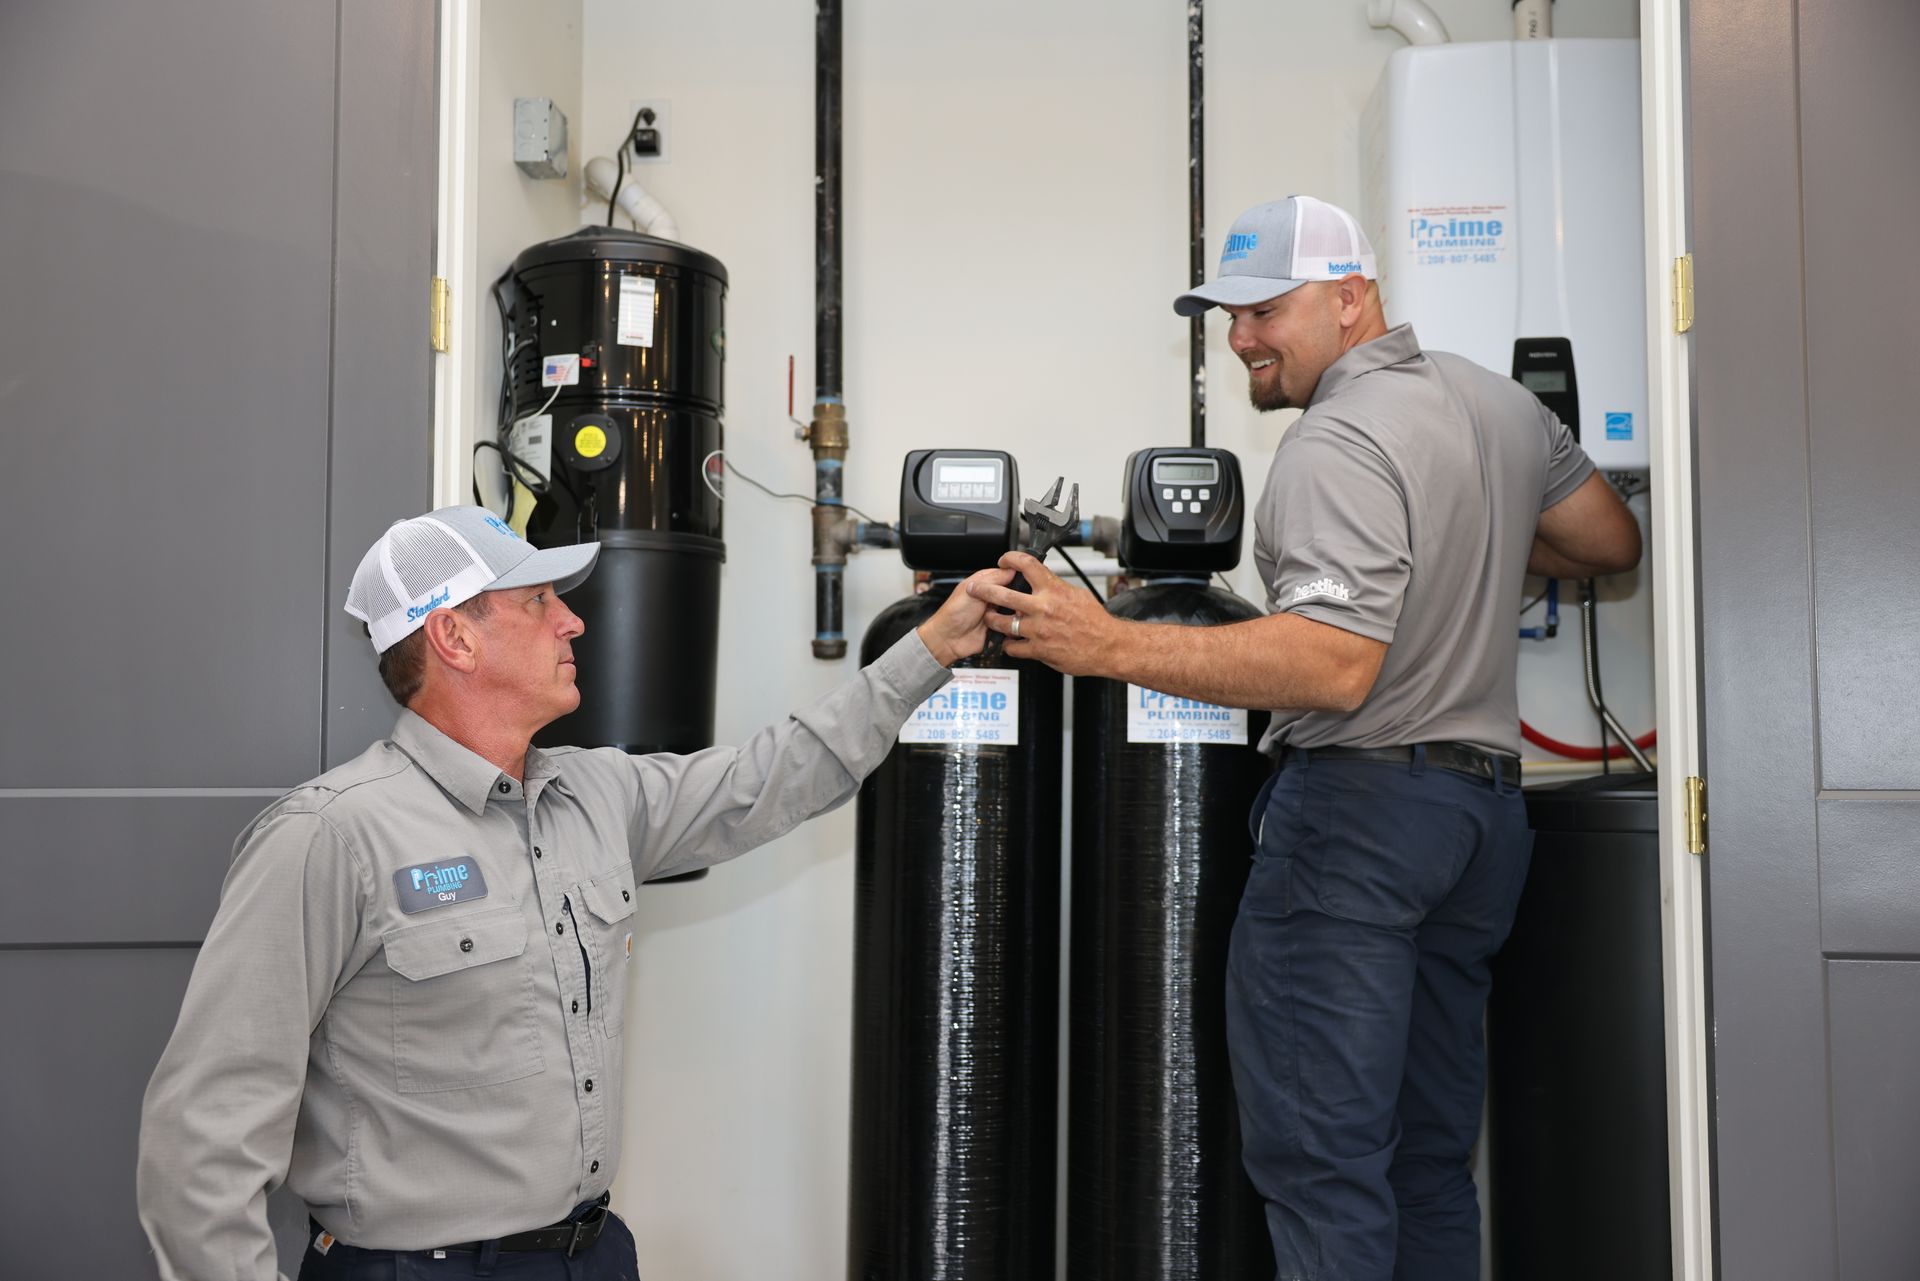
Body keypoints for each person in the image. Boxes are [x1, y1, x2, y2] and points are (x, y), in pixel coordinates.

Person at [971, 195, 1641, 1280]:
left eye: (1266, 310)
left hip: (1361, 825)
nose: (1241, 338)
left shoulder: (1336, 439)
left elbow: (1333, 665)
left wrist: (1105, 644)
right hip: (1479, 822)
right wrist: (1473, 544)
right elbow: (1610, 541)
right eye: (1229, 316)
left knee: (1325, 1170)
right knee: (1427, 1163)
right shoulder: (1500, 406)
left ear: (1351, 298)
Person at [137, 504, 1007, 1281]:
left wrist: (930, 648)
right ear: (454, 637)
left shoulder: (595, 794)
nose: (573, 620)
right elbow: (203, 1139)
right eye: (537, 601)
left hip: (590, 1255)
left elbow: (770, 776)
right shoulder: (328, 837)